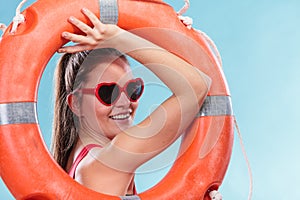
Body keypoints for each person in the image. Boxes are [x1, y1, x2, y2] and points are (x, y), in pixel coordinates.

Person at [51, 8, 211, 196]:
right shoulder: (106, 163)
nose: (124, 102)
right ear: (76, 103)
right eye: (108, 91)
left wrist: (176, 36)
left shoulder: (81, 160)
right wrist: (119, 38)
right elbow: (197, 87)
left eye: (132, 89)